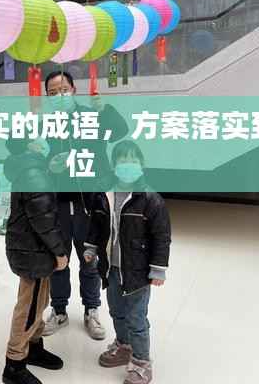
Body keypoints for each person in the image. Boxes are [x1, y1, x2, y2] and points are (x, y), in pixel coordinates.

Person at [43, 70, 128, 340]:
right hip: (58, 203)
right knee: (58, 260)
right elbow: (34, 155)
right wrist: (49, 165)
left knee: (89, 259)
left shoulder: (92, 116)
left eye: (63, 90)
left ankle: (92, 310)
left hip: (88, 203)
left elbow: (121, 131)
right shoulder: (47, 123)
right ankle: (59, 310)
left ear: (73, 90)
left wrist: (104, 110)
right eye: (52, 93)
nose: (59, 96)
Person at [84, 141, 171, 384]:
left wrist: (158, 269)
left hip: (138, 272)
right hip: (111, 269)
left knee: (136, 318)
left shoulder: (151, 199)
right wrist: (91, 248)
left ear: (141, 164)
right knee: (116, 311)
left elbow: (162, 237)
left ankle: (142, 362)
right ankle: (124, 346)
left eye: (133, 160)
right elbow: (96, 226)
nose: (128, 165)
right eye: (123, 160)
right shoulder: (105, 195)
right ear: (114, 165)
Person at [2, 136, 68, 384]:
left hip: (32, 249)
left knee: (39, 301)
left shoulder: (32, 167)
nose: (44, 140)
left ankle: (33, 346)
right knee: (29, 307)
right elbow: (44, 221)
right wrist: (60, 253)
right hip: (34, 250)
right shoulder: (33, 174)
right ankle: (14, 363)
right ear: (28, 143)